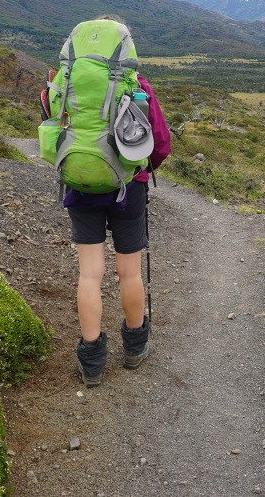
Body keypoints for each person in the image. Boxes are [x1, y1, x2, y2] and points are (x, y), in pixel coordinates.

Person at [63, 19, 171, 387]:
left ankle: (91, 362)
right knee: (129, 271)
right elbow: (159, 144)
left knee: (89, 274)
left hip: (79, 184)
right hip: (129, 186)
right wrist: (141, 169)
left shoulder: (65, 82)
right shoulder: (136, 86)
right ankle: (135, 347)